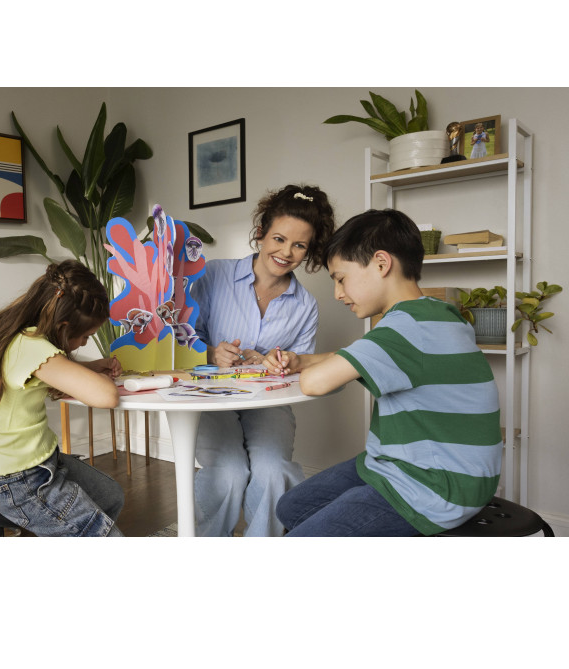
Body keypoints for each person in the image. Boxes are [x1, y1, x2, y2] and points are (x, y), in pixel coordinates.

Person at [275, 209, 502, 536]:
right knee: (291, 506)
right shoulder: (435, 314)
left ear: (381, 264)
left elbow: (315, 384)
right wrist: (302, 360)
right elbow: (361, 355)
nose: (337, 293)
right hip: (413, 464)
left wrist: (309, 369)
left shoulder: (403, 329)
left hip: (433, 486)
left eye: (340, 278)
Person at [190, 184, 336, 536]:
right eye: (279, 239)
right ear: (261, 233)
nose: (286, 252)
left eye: (299, 245)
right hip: (210, 396)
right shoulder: (213, 275)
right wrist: (211, 353)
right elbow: (181, 340)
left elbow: (299, 368)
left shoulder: (305, 305)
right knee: (228, 472)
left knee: (272, 471)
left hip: (269, 402)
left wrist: (281, 362)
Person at [0, 260, 126, 537]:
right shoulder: (31, 347)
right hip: (20, 482)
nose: (84, 343)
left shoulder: (13, 335)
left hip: (30, 465)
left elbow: (45, 372)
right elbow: (108, 396)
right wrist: (99, 377)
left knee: (110, 496)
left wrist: (93, 367)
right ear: (63, 326)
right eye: (85, 336)